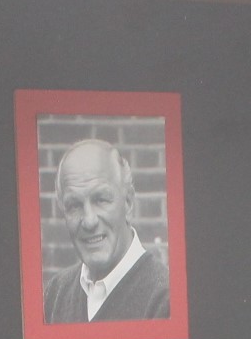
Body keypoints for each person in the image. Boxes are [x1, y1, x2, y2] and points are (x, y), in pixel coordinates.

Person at [44, 138, 171, 323]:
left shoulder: (164, 299)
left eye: (101, 200)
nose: (89, 221)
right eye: (74, 205)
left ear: (127, 203)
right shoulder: (55, 294)